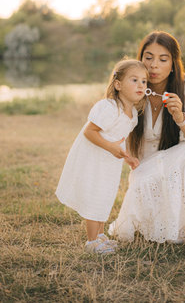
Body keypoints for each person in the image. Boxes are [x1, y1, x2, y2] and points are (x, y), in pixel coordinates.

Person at [109, 31, 185, 243]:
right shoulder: (132, 85)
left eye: (163, 59)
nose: (153, 65)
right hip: (148, 159)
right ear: (140, 59)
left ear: (173, 64)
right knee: (147, 214)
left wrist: (180, 117)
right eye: (148, 57)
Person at [55, 59, 148, 254]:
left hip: (109, 162)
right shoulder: (109, 107)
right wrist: (109, 147)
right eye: (134, 80)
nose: (141, 85)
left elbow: (119, 141)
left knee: (105, 195)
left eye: (144, 81)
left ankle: (99, 235)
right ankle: (91, 242)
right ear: (118, 84)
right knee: (94, 195)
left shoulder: (133, 114)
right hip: (94, 159)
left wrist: (127, 157)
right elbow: (90, 132)